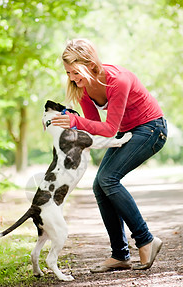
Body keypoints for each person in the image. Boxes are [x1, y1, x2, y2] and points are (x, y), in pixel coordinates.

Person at [51, 38, 168, 272]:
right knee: (99, 185)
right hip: (128, 132)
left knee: (108, 179)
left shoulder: (118, 80)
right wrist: (75, 132)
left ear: (91, 64)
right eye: (68, 73)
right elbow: (96, 127)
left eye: (76, 71)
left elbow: (110, 128)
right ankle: (120, 255)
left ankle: (145, 239)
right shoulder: (84, 89)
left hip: (152, 128)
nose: (72, 78)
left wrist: (75, 121)